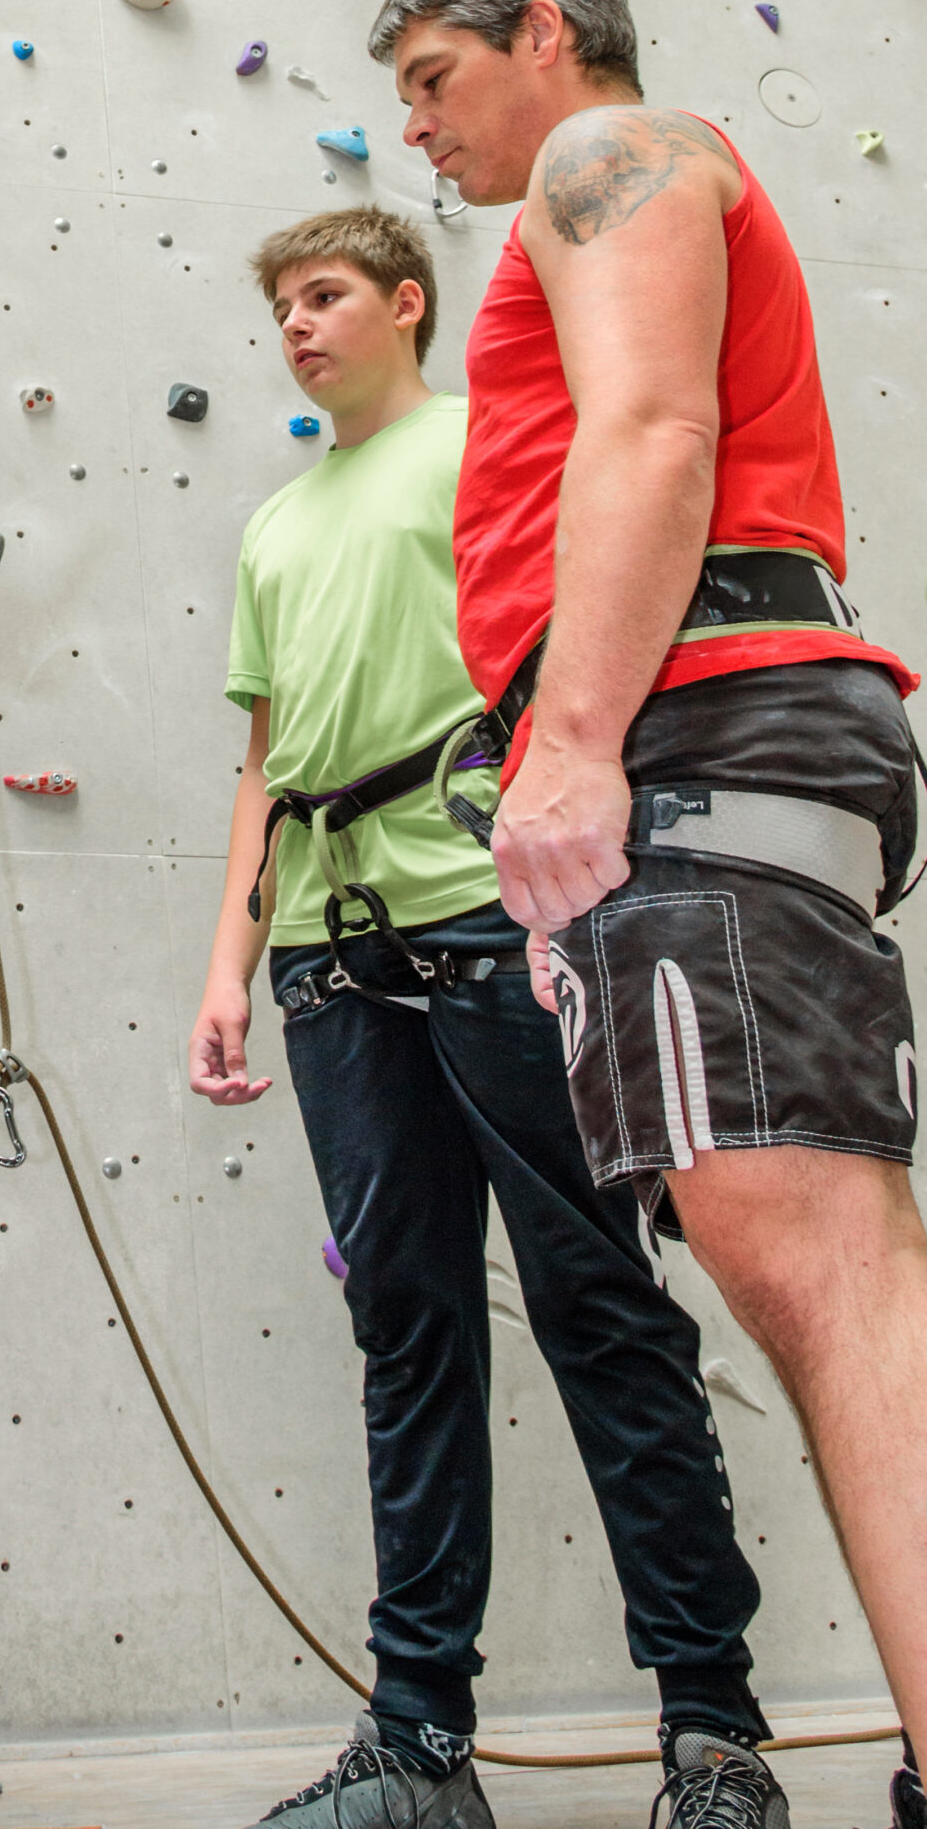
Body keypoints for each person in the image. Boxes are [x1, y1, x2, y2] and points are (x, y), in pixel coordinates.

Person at [373, 0, 927, 1824]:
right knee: (813, 1264)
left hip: (698, 719)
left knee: (831, 1273)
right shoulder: (616, 173)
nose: (422, 137)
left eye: (437, 81)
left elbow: (656, 427)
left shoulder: (619, 152)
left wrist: (583, 742)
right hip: (710, 729)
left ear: (547, 33)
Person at [191, 205, 782, 1829]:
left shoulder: (486, 450)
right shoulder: (272, 529)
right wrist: (230, 965)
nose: (298, 326)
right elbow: (265, 763)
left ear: (405, 303)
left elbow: (577, 635)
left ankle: (714, 1734)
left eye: (324, 296)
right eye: (281, 305)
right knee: (409, 1337)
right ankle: (418, 1748)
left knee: (600, 1304)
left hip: (484, 917)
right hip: (326, 948)